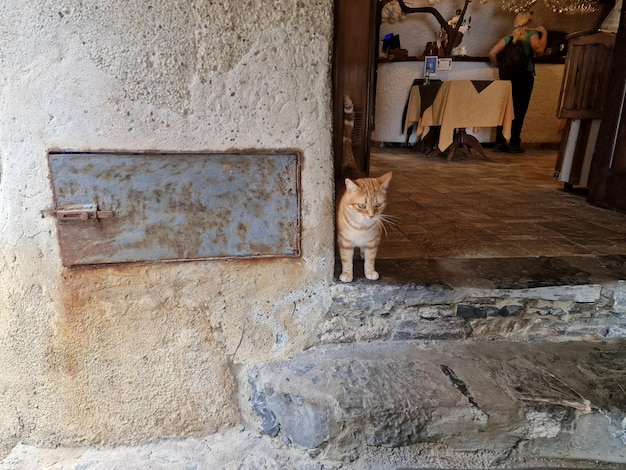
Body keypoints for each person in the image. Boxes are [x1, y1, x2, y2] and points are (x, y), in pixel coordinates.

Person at [489, 12, 547, 153]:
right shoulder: (532, 35)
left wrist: (500, 65)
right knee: (520, 109)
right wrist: (544, 33)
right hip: (524, 76)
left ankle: (499, 142)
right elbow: (539, 49)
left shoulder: (509, 38)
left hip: (507, 76)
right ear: (529, 22)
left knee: (505, 108)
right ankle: (514, 142)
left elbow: (492, 53)